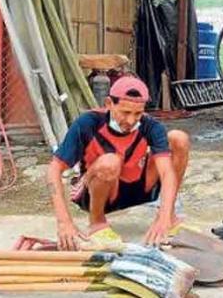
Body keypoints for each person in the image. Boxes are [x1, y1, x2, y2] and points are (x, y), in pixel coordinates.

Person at [46, 76, 190, 250]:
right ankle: (97, 223)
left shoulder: (151, 126)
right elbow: (54, 170)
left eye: (137, 114)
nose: (131, 121)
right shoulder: (87, 123)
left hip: (138, 189)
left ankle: (170, 219)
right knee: (110, 161)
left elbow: (166, 173)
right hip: (100, 193)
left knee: (178, 139)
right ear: (108, 104)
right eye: (125, 112)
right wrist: (64, 222)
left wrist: (164, 216)